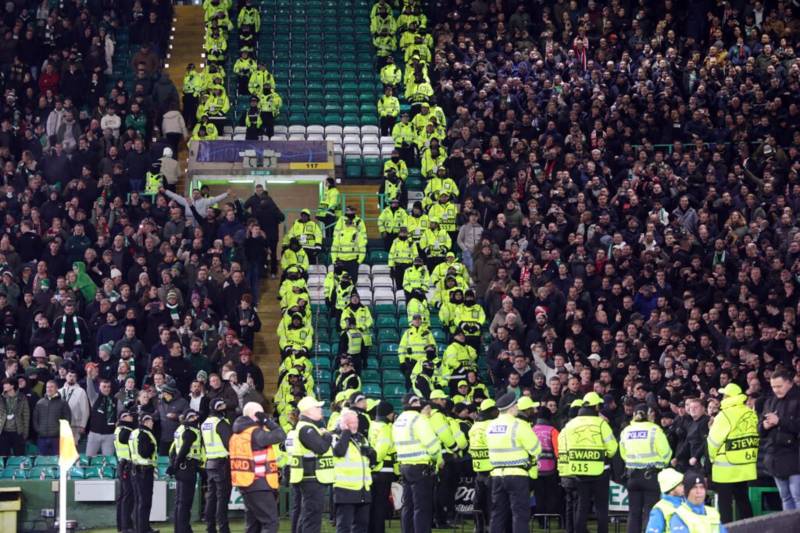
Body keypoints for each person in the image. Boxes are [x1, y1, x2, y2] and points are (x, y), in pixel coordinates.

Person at [561, 392, 618, 533]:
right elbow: (612, 448)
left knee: (582, 506)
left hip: (579, 470)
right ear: (595, 406)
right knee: (601, 507)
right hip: (600, 470)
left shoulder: (570, 424)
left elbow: (565, 447)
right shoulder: (600, 424)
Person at [486, 392, 541, 533]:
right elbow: (536, 449)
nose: (517, 407)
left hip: (497, 474)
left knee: (497, 514)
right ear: (510, 408)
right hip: (517, 475)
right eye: (516, 405)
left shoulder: (491, 426)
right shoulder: (519, 425)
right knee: (520, 514)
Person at [230, 401, 286, 533]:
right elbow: (281, 435)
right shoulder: (254, 433)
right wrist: (267, 421)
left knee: (253, 525)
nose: (263, 415)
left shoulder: (237, 433)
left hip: (246, 482)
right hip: (259, 483)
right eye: (260, 413)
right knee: (270, 523)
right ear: (255, 415)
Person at [707, 383, 757, 522]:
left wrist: (712, 458)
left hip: (725, 468)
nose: (722, 398)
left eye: (724, 395)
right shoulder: (749, 412)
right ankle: (750, 529)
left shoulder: (724, 415)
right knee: (743, 500)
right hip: (745, 466)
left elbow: (713, 442)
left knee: (724, 504)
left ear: (729, 397)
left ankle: (727, 530)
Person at [619, 404, 672, 533]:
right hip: (651, 476)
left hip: (632, 476)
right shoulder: (655, 430)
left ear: (634, 415)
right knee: (651, 511)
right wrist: (661, 464)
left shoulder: (626, 431)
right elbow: (666, 454)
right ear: (648, 414)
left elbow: (623, 454)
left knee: (634, 512)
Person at [392, 393, 441, 533]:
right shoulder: (419, 419)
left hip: (404, 466)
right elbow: (432, 445)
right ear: (416, 404)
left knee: (408, 505)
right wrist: (437, 456)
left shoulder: (399, 419)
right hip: (420, 467)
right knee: (422, 507)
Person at [290, 396, 334, 533]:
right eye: (317, 407)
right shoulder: (306, 429)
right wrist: (327, 436)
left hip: (311, 478)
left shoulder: (307, 427)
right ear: (308, 411)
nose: (321, 409)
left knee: (307, 516)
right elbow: (321, 448)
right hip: (311, 478)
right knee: (312, 518)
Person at [760, 370, 800, 510]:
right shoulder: (771, 401)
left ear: (789, 383)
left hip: (795, 456)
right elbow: (760, 429)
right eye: (773, 387)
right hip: (775, 457)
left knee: (797, 496)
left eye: (779, 386)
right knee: (785, 496)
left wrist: (780, 421)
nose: (776, 390)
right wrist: (764, 426)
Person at [331, 409, 375, 533]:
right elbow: (339, 451)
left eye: (355, 422)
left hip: (363, 489)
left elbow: (370, 458)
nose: (354, 425)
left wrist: (372, 454)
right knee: (344, 526)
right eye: (350, 422)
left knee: (362, 526)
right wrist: (346, 432)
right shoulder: (335, 437)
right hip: (345, 489)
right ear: (343, 423)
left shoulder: (361, 438)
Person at [202, 398, 233, 533]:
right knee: (222, 498)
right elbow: (230, 444)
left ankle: (210, 527)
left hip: (210, 462)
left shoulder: (205, 424)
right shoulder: (220, 423)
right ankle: (223, 528)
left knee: (211, 496)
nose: (224, 407)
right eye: (221, 406)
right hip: (222, 463)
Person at [170, 409, 204, 533]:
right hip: (187, 467)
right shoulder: (191, 431)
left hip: (182, 467)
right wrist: (175, 464)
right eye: (192, 417)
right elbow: (184, 450)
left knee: (180, 502)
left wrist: (174, 465)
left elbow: (173, 450)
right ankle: (183, 529)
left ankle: (180, 528)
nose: (195, 418)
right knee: (185, 502)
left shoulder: (180, 429)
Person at [367, 400, 396, 533]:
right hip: (384, 469)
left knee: (372, 504)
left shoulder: (373, 425)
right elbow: (382, 448)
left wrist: (371, 464)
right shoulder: (385, 428)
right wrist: (376, 462)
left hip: (372, 470)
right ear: (388, 414)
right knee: (380, 505)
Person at [468, 398, 497, 533]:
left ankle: (478, 527)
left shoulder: (474, 426)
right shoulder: (493, 425)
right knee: (492, 502)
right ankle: (492, 527)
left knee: (478, 502)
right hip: (492, 469)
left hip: (479, 469)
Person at [130, 413, 158, 533]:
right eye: (151, 421)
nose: (152, 423)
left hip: (136, 469)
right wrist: (152, 446)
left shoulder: (134, 432)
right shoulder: (144, 434)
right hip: (144, 471)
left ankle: (141, 528)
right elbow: (144, 452)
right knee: (145, 502)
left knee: (139, 501)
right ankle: (143, 529)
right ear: (146, 422)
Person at [114, 411, 136, 533]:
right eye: (129, 416)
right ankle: (126, 526)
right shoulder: (126, 430)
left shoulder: (118, 429)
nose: (132, 417)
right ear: (123, 418)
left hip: (122, 464)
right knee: (127, 497)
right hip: (127, 465)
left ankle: (122, 526)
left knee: (123, 497)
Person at [645, 468, 685, 533]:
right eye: (680, 485)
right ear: (671, 489)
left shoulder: (687, 503)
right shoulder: (659, 509)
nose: (684, 487)